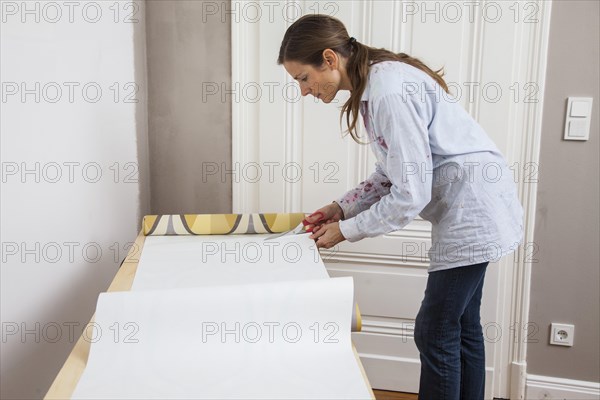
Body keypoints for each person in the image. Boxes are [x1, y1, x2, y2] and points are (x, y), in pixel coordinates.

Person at [277, 14, 523, 400]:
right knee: (462, 325)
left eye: (302, 79)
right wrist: (339, 209)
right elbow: (392, 172)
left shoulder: (388, 91)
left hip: (473, 208)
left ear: (329, 59)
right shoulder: (377, 86)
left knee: (436, 329)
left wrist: (346, 231)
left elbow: (410, 193)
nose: (304, 91)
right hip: (474, 203)